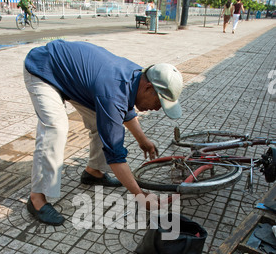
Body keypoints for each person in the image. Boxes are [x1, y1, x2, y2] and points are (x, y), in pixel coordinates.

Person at [24, 40, 183, 226]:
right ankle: (36, 199)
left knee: (101, 122)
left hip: (73, 77)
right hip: (44, 68)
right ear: (148, 88)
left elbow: (125, 108)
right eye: (159, 102)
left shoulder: (136, 77)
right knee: (55, 128)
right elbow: (114, 153)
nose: (157, 109)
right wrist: (140, 196)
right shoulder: (112, 92)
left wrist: (143, 139)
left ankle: (93, 172)